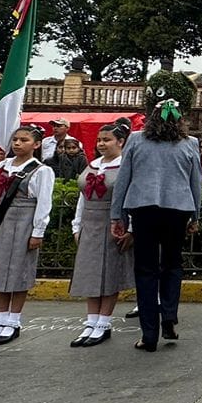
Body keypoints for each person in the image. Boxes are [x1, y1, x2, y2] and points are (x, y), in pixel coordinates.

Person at [109, 99, 202, 352]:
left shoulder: (136, 140)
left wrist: (117, 215)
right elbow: (196, 182)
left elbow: (123, 179)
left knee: (146, 269)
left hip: (143, 208)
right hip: (178, 209)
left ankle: (149, 334)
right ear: (180, 119)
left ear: (152, 118)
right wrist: (196, 215)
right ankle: (169, 314)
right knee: (172, 264)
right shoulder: (190, 143)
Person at [0, 127, 54, 346]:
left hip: (25, 219)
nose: (18, 144)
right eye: (15, 139)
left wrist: (38, 231)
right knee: (0, 270)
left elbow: (44, 203)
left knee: (20, 272)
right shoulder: (1, 166)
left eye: (24, 140)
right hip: (3, 221)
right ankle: (0, 319)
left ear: (36, 144)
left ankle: (14, 320)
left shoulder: (41, 170)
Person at [69, 124, 134, 347]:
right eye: (99, 140)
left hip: (113, 223)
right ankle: (90, 321)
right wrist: (77, 226)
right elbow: (82, 197)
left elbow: (132, 198)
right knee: (90, 272)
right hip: (90, 223)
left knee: (108, 273)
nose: (101, 144)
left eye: (107, 140)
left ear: (120, 142)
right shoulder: (93, 165)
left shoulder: (126, 166)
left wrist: (130, 228)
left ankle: (103, 323)